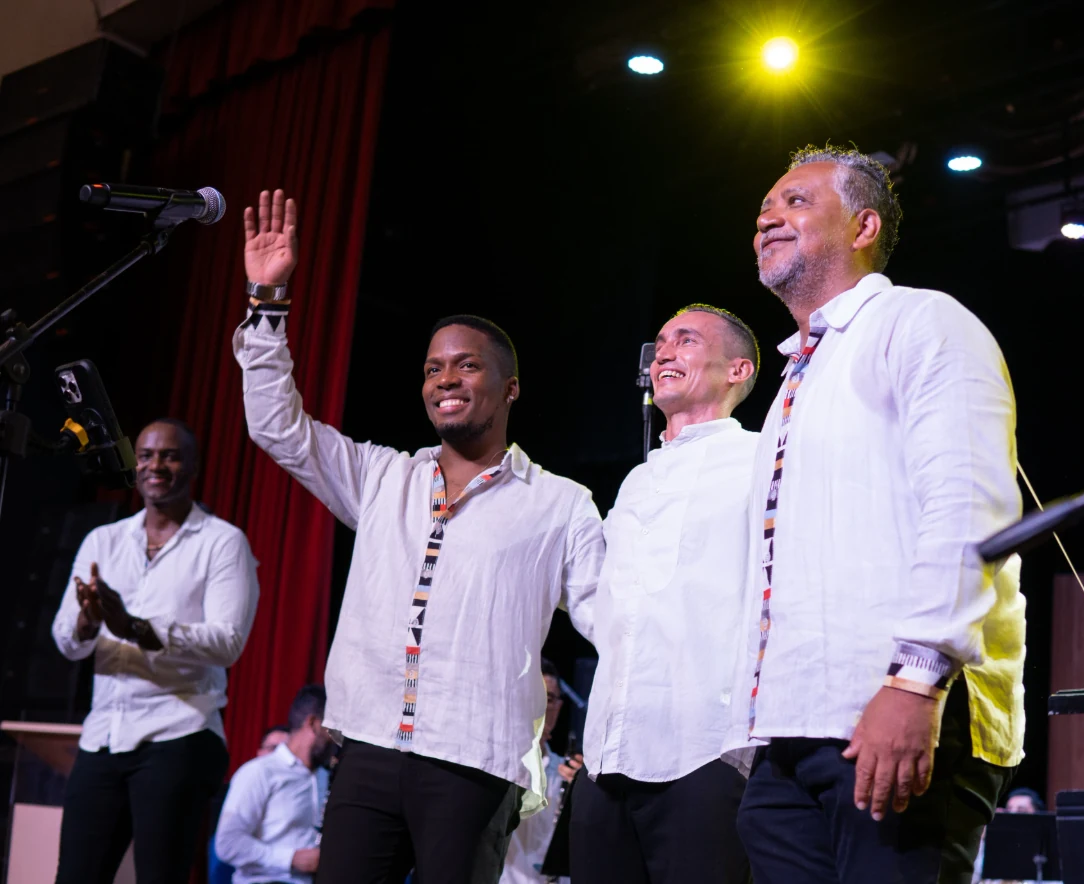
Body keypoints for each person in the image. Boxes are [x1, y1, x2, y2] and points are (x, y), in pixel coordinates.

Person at [234, 190, 603, 884]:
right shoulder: (381, 478)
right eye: (433, 368)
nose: (445, 379)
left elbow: (608, 618)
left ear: (510, 387)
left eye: (465, 364)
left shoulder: (561, 505)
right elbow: (276, 427)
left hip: (474, 760)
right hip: (368, 749)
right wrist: (267, 301)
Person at [729, 145, 1026, 884]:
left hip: (896, 713)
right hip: (788, 741)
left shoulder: (920, 321)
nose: (769, 215)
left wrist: (916, 677)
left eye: (796, 201)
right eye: (766, 205)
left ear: (863, 227)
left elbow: (970, 504)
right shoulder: (798, 374)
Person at [561, 305, 759, 884]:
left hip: (704, 751)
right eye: (663, 342)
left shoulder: (758, 460)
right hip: (608, 754)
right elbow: (614, 609)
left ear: (739, 370)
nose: (664, 352)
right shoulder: (638, 480)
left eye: (688, 341)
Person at [50, 418, 261, 884]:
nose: (155, 465)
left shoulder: (223, 543)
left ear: (193, 466)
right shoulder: (103, 541)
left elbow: (227, 642)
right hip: (104, 734)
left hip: (179, 734)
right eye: (146, 455)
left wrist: (137, 628)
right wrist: (89, 621)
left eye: (169, 455)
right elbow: (66, 640)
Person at [215, 686, 333, 884]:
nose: (336, 739)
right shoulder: (260, 772)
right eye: (332, 729)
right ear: (313, 723)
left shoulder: (325, 776)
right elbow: (228, 843)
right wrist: (290, 859)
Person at [500, 659, 572, 884]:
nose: (541, 706)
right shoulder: (495, 766)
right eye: (534, 695)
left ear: (558, 708)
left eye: (549, 699)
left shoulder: (567, 774)